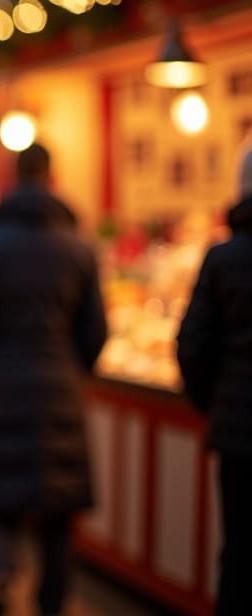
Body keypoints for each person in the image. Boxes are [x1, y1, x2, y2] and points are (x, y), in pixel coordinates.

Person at [0, 142, 107, 616]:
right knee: (58, 510)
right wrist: (70, 369)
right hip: (61, 386)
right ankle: (52, 601)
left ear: (13, 177)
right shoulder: (80, 248)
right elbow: (96, 330)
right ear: (52, 176)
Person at [176, 147, 252, 616]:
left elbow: (191, 347)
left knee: (240, 555)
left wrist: (218, 405)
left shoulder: (223, 258)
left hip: (240, 434)